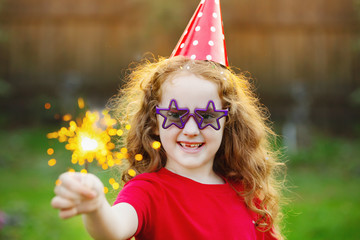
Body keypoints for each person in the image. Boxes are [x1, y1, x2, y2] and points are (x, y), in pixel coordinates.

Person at [51, 1, 285, 239]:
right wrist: (96, 207)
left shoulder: (248, 195)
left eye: (207, 116)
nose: (191, 129)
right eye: (175, 115)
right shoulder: (148, 191)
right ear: (154, 122)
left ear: (228, 123)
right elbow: (114, 228)